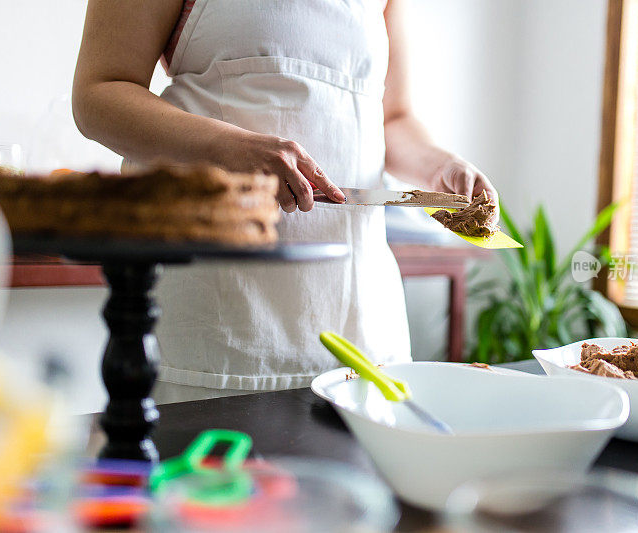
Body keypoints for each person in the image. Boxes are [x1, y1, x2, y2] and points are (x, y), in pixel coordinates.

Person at [72, 0, 498, 403]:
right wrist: (231, 147)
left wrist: (441, 169)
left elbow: (392, 118)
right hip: (220, 326)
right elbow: (98, 93)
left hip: (365, 323)